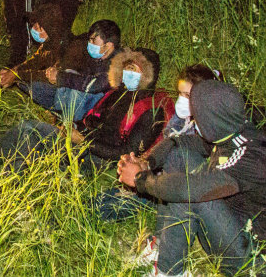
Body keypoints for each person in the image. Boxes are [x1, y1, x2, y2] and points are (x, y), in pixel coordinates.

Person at [118, 80, 266, 277]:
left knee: (187, 194)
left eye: (197, 115)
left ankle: (169, 273)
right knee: (179, 157)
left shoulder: (253, 161)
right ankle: (162, 247)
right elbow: (176, 142)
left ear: (210, 118)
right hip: (241, 224)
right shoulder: (231, 130)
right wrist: (148, 163)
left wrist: (140, 180)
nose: (194, 120)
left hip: (261, 262)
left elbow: (191, 189)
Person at [0, 47, 167, 175]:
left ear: (149, 75)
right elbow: (94, 118)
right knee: (28, 129)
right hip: (81, 140)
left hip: (95, 159)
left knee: (33, 144)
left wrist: (82, 141)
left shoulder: (151, 111)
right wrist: (71, 128)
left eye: (135, 70)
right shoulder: (119, 90)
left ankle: (4, 183)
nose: (128, 73)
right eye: (127, 67)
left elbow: (126, 152)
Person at [92, 64, 219, 222]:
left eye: (188, 96)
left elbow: (188, 172)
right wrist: (143, 164)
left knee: (103, 209)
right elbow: (165, 148)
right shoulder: (180, 119)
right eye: (180, 94)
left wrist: (146, 180)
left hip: (175, 188)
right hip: (159, 179)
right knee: (98, 200)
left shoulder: (209, 129)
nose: (182, 101)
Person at [28, 19, 122, 122]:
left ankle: (70, 124)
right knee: (36, 86)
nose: (89, 44)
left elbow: (93, 85)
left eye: (93, 40)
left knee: (76, 88)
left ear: (108, 45)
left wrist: (60, 77)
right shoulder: (98, 57)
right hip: (82, 100)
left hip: (99, 109)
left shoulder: (118, 63)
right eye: (89, 40)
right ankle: (59, 115)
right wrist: (57, 72)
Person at [0, 3, 68, 90]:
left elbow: (51, 76)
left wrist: (17, 75)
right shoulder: (49, 44)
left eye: (37, 27)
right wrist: (13, 71)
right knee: (22, 79)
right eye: (33, 25)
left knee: (32, 83)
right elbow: (34, 62)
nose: (33, 29)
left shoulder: (65, 48)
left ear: (49, 29)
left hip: (68, 88)